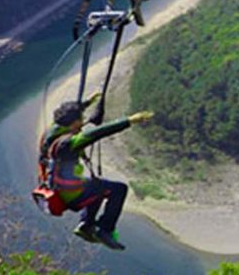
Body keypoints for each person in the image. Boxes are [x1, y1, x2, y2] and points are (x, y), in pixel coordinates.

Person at [38, 94, 153, 250]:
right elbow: (97, 133)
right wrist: (130, 120)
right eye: (80, 120)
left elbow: (69, 114)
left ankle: (86, 224)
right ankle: (105, 229)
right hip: (71, 196)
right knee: (119, 189)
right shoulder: (69, 143)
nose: (82, 124)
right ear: (73, 122)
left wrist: (87, 103)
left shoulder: (53, 130)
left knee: (97, 187)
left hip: (57, 188)